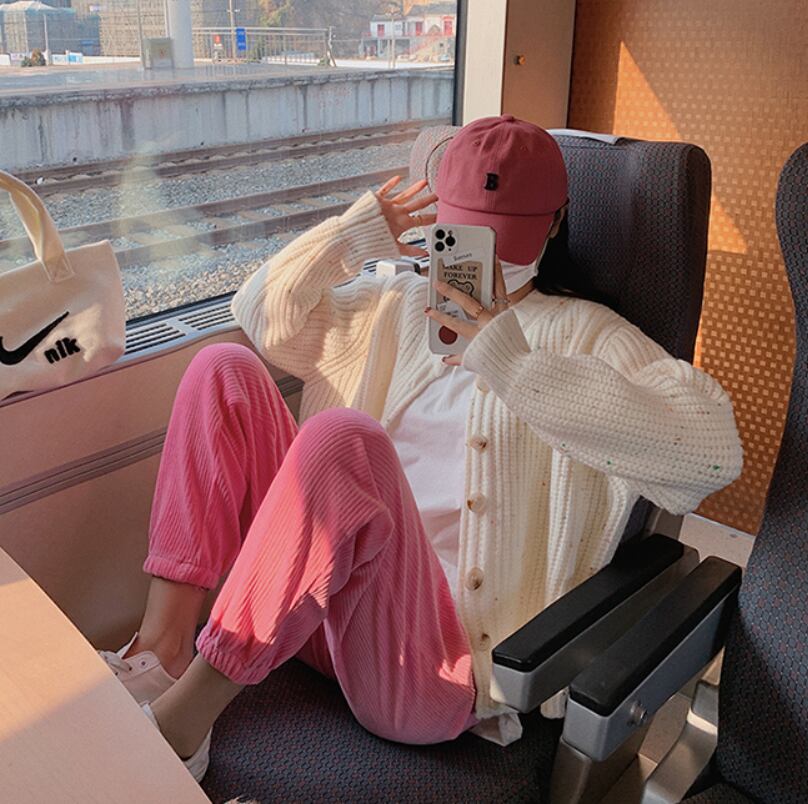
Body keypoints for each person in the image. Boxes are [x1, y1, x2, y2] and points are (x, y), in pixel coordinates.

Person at [100, 116, 743, 780]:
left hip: (428, 667)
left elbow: (709, 456)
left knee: (343, 441)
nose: (486, 255)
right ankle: (162, 653)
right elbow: (261, 311)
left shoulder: (588, 335)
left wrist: (513, 364)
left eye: (506, 233)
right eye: (466, 232)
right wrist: (354, 236)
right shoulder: (395, 303)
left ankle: (181, 727)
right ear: (440, 218)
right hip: (317, 610)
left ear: (554, 224)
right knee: (221, 370)